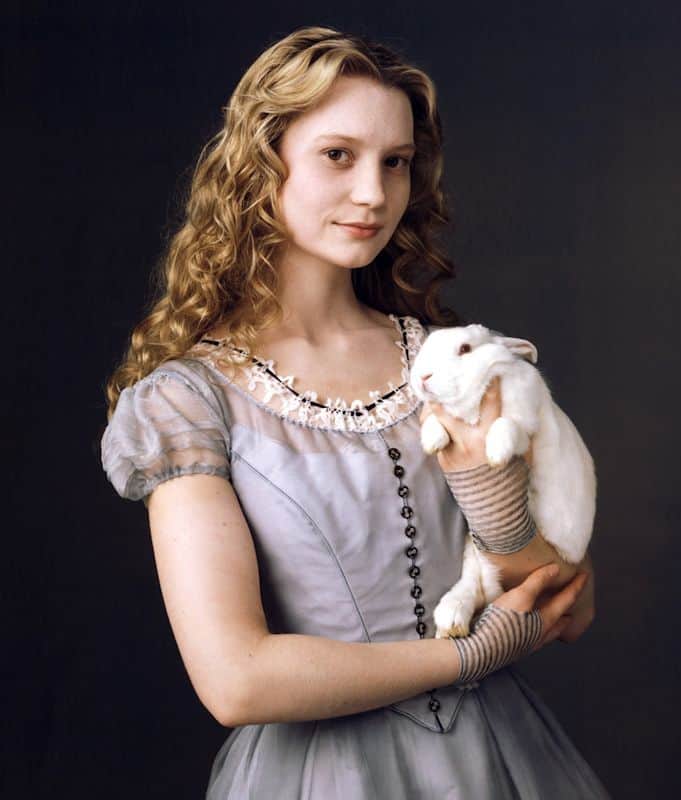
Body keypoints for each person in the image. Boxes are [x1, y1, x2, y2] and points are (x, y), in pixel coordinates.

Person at [100, 26, 611, 798]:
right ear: (260, 164)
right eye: (338, 155)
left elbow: (570, 604)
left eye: (394, 161)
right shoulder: (187, 400)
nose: (373, 193)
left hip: (503, 761)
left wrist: (493, 504)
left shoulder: (450, 362)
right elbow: (236, 680)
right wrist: (469, 655)